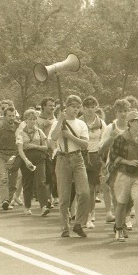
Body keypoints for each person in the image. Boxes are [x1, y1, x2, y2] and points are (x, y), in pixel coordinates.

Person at [49, 95, 90, 238]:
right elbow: (53, 138)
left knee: (84, 192)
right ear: (66, 107)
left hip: (77, 158)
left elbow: (85, 144)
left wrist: (69, 136)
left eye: (78, 107)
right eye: (73, 106)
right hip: (62, 158)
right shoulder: (58, 122)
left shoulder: (81, 124)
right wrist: (60, 121)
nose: (76, 110)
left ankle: (78, 223)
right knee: (64, 196)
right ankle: (65, 226)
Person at [109, 109, 138, 244]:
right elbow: (114, 157)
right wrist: (127, 161)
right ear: (130, 123)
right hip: (123, 174)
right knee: (122, 203)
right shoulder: (120, 138)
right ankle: (119, 228)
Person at [16, 108, 52, 216]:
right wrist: (26, 161)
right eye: (29, 119)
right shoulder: (21, 133)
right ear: (25, 120)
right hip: (26, 159)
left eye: (34, 119)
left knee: (41, 181)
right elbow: (20, 149)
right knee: (28, 182)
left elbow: (46, 147)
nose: (32, 121)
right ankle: (27, 206)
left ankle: (44, 206)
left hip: (40, 159)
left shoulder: (40, 132)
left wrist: (33, 146)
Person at [0, 106, 20, 210]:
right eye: (9, 116)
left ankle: (9, 200)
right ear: (4, 116)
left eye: (13, 116)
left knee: (13, 181)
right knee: (3, 179)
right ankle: (5, 200)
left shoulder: (19, 127)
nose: (12, 118)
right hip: (1, 155)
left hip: (14, 156)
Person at [80, 96, 105, 228]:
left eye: (92, 107)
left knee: (92, 188)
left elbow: (104, 139)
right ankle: (79, 213)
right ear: (83, 109)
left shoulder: (100, 122)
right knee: (82, 188)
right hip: (81, 156)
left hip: (95, 156)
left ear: (96, 107)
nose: (90, 110)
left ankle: (90, 213)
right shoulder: (78, 122)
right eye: (87, 107)